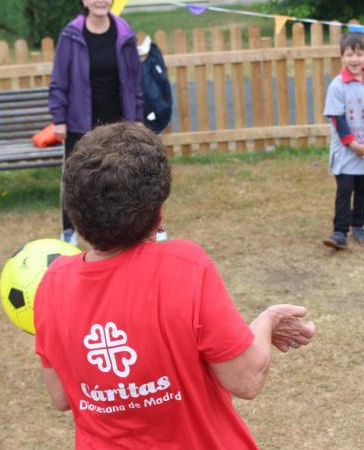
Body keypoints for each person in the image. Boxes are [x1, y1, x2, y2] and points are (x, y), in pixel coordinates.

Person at [34, 123, 316, 449]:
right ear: (158, 212)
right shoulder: (184, 266)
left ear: (75, 211)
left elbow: (60, 396)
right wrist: (266, 322)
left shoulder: (52, 283)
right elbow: (246, 379)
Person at [48, 0, 143, 246]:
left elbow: (135, 81)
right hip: (81, 123)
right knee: (76, 178)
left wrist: (138, 117)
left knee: (126, 176)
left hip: (119, 121)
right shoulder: (71, 34)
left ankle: (130, 229)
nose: (100, 1)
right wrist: (59, 119)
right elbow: (59, 81)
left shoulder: (124, 32)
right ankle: (70, 231)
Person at [321, 31, 364, 250]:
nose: (354, 59)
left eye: (359, 54)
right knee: (345, 188)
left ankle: (359, 224)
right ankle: (340, 231)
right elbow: (337, 119)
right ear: (342, 56)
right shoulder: (337, 86)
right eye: (349, 54)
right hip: (347, 150)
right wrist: (353, 145)